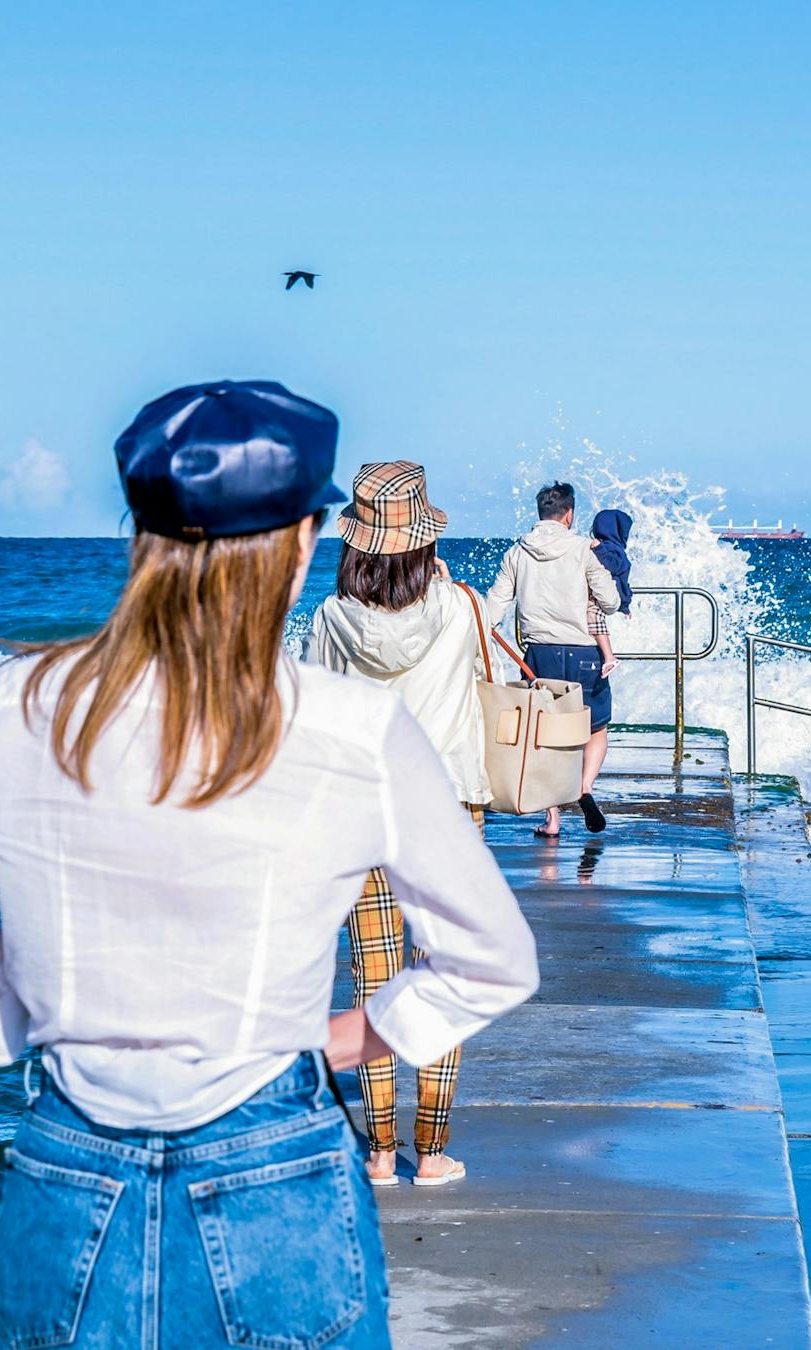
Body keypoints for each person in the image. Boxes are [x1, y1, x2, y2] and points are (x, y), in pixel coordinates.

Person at [0, 381, 538, 1349]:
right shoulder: (354, 732)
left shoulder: (22, 704)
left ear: (140, 536)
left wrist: (34, 1015)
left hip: (66, 1172)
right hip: (278, 1176)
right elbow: (494, 958)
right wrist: (348, 1038)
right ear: (304, 546)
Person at [305, 459, 489, 1189]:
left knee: (375, 977)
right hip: (447, 808)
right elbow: (487, 687)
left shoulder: (329, 618)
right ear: (422, 541)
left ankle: (379, 1152)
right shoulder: (461, 605)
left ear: (355, 546)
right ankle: (432, 1150)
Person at [485, 482, 620, 838]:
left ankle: (552, 819)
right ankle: (585, 787)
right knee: (596, 727)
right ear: (569, 515)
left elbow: (494, 607)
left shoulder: (517, 553)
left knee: (545, 733)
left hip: (538, 654)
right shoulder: (582, 550)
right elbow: (610, 602)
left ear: (540, 513)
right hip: (584, 653)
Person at [586, 508, 634, 678]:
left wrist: (599, 550)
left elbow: (613, 565)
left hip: (611, 595)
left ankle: (609, 656)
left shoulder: (612, 549)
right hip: (615, 595)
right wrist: (625, 607)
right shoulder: (615, 547)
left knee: (593, 614)